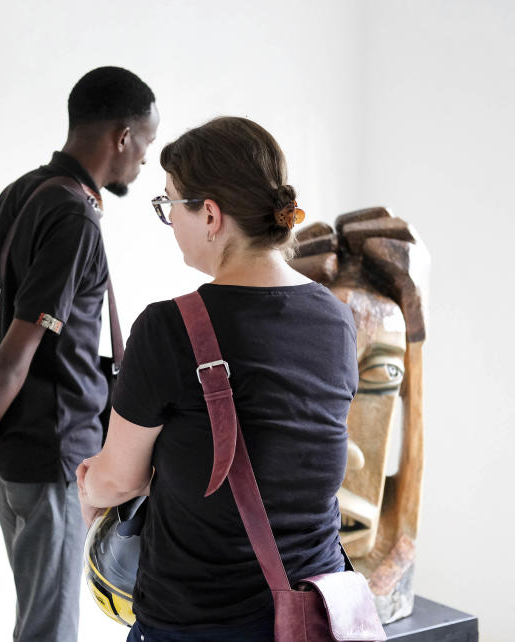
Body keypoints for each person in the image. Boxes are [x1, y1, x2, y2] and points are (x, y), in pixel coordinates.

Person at [77, 117, 358, 641]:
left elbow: (120, 478)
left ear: (209, 214)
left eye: (170, 205)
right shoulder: (335, 320)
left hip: (197, 622)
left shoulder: (169, 328)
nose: (169, 221)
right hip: (309, 616)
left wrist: (88, 482)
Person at [0, 67, 158, 642]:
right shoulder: (73, 216)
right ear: (122, 136)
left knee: (41, 621)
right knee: (49, 631)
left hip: (17, 458)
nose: (143, 163)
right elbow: (13, 355)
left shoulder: (24, 193)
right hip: (51, 458)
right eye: (147, 145)